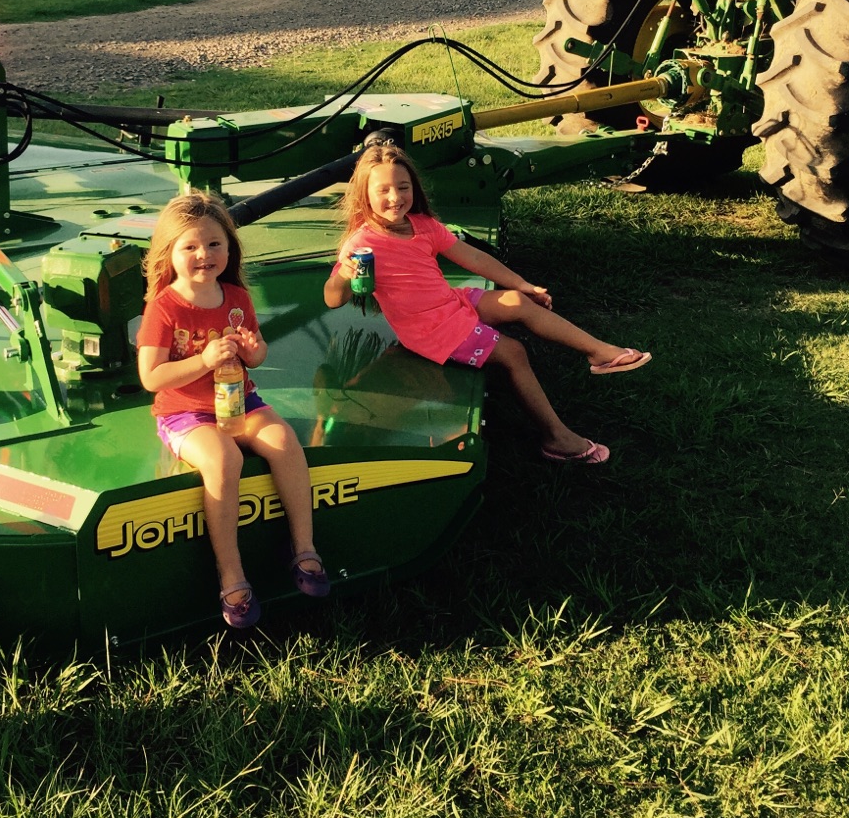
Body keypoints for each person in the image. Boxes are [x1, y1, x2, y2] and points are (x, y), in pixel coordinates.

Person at [323, 143, 651, 464]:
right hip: (429, 329)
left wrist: (523, 285)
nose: (395, 197)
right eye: (383, 190)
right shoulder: (362, 243)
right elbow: (333, 298)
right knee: (513, 353)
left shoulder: (422, 226)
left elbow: (475, 258)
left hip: (448, 304)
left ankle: (599, 352)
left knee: (516, 301)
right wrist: (344, 276)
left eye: (402, 186)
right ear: (364, 195)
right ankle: (557, 438)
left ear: (413, 187)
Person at [138, 190, 329, 627]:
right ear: (170, 252)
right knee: (225, 459)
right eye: (190, 246)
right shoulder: (164, 307)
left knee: (283, 440)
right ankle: (231, 573)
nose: (204, 254)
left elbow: (255, 357)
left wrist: (254, 350)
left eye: (214, 244)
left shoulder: (236, 297)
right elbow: (151, 377)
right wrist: (202, 361)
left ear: (229, 246)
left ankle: (304, 547)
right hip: (184, 413)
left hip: (239, 399)